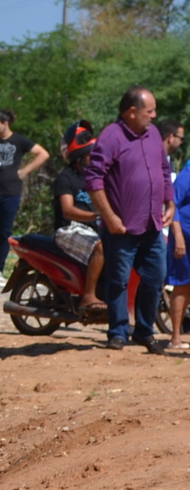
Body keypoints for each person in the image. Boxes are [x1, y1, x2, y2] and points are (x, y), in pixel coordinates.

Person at [88, 86, 176, 352]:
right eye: (149, 111)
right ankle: (118, 332)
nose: (154, 115)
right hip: (122, 226)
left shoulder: (153, 135)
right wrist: (110, 217)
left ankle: (144, 331)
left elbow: (163, 169)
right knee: (119, 280)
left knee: (156, 277)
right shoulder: (111, 137)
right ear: (132, 112)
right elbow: (93, 180)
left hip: (152, 224)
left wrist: (170, 202)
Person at [0, 109, 50, 280]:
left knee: (4, 232)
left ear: (5, 124)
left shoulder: (19, 140)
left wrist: (26, 170)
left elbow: (43, 153)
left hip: (10, 192)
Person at [52, 121, 106, 312]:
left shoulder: (99, 177)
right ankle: (88, 296)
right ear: (79, 157)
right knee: (101, 247)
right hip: (69, 229)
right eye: (91, 153)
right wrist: (98, 215)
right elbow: (67, 210)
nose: (96, 157)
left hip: (93, 228)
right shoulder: (66, 178)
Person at [164, 118, 190, 350]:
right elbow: (174, 202)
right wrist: (178, 236)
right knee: (182, 285)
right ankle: (175, 337)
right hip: (185, 237)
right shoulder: (188, 172)